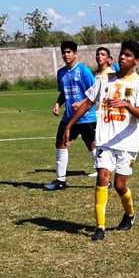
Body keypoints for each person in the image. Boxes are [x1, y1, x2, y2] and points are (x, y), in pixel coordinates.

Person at [63, 41, 139, 241]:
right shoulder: (105, 80)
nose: (122, 57)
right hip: (104, 141)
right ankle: (100, 227)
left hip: (127, 143)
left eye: (128, 55)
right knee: (102, 178)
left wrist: (126, 104)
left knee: (120, 185)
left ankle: (130, 214)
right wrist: (69, 125)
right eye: (122, 54)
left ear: (136, 61)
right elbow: (87, 102)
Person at [44, 41, 97, 191]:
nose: (66, 55)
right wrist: (57, 103)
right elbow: (63, 93)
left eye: (69, 52)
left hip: (86, 117)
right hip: (69, 117)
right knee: (61, 143)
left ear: (75, 54)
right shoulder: (61, 73)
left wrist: (81, 103)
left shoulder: (84, 71)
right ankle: (60, 180)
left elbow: (94, 93)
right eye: (64, 52)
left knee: (91, 145)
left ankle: (103, 179)